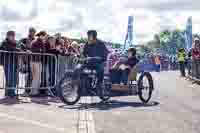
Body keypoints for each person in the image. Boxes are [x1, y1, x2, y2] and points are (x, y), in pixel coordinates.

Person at [0, 31, 20, 97]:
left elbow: (19, 48)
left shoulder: (15, 42)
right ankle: (10, 92)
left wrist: (17, 48)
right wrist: (17, 49)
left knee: (14, 78)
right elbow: (10, 49)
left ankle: (11, 92)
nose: (13, 37)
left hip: (14, 62)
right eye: (11, 35)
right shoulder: (4, 42)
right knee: (9, 78)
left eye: (13, 35)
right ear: (8, 36)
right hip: (7, 62)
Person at [30, 31, 47, 96]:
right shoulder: (39, 42)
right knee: (36, 77)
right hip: (36, 61)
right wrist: (41, 50)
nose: (45, 37)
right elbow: (42, 51)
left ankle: (34, 91)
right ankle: (34, 92)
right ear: (41, 35)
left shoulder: (35, 41)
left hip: (34, 61)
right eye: (44, 35)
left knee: (35, 77)